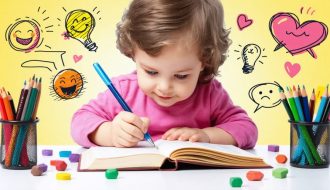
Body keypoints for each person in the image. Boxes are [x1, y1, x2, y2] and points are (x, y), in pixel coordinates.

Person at [71, 0, 257, 149]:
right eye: (151, 72)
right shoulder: (124, 90)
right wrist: (110, 133)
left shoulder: (209, 94)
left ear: (204, 61)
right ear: (133, 52)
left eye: (181, 76)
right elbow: (79, 122)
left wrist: (208, 136)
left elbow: (247, 129)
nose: (164, 87)